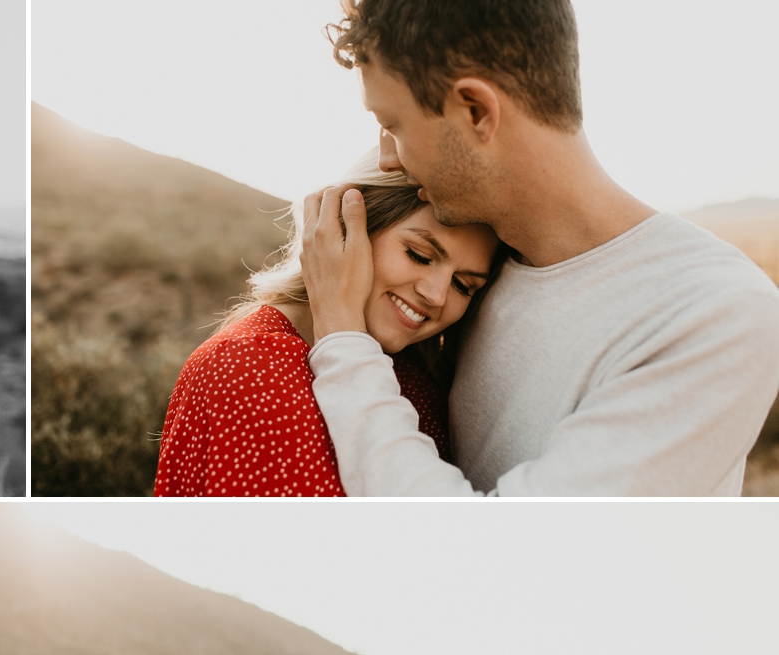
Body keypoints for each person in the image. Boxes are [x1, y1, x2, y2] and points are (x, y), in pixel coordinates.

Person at [300, 0, 779, 496]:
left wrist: (342, 339)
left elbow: (509, 558)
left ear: (475, 111)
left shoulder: (715, 312)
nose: (386, 156)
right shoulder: (485, 269)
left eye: (393, 124)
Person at [156, 153, 498, 495]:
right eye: (419, 255)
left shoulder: (421, 381)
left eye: (463, 285)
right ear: (343, 229)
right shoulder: (250, 366)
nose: (436, 295)